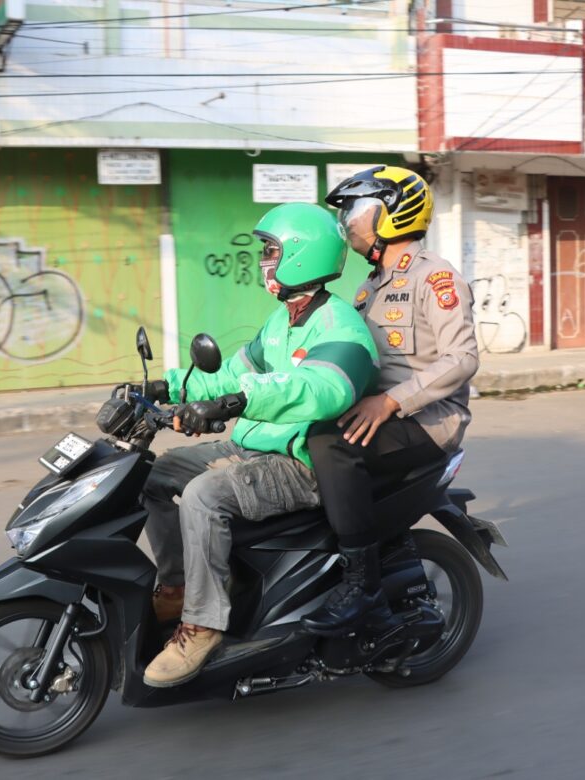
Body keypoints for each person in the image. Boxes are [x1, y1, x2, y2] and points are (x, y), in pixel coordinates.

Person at [132, 202, 379, 688]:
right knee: (157, 475)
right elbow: (231, 374)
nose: (264, 260)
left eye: (272, 251)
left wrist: (238, 402)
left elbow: (320, 389)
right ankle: (180, 585)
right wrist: (163, 390)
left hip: (299, 462)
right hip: (255, 447)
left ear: (301, 256)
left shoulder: (341, 326)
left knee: (204, 495)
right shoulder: (281, 323)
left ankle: (202, 625)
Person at [299, 165, 479, 635]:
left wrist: (391, 403)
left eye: (358, 211)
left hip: (430, 420)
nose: (349, 223)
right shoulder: (367, 288)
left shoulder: (435, 277)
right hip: (384, 415)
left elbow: (462, 358)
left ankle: (362, 588)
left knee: (329, 444)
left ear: (392, 216)